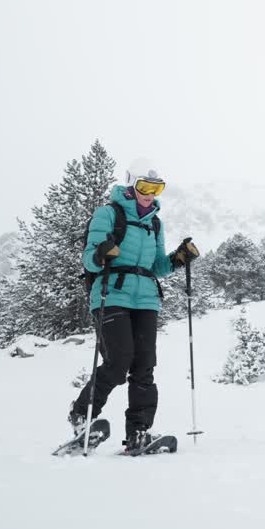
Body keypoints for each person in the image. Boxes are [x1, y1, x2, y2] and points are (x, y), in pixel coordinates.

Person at [68, 159, 199, 452]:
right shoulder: (108, 214)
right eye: (144, 186)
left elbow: (157, 266)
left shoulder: (155, 222)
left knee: (144, 367)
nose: (150, 194)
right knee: (118, 363)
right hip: (111, 294)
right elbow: (89, 259)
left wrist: (178, 259)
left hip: (146, 300)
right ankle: (81, 415)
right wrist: (102, 252)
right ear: (131, 184)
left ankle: (138, 432)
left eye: (156, 188)